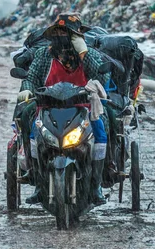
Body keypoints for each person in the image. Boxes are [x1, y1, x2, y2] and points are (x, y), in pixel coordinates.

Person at [17, 13, 109, 206]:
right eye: (57, 32)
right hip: (48, 105)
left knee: (103, 128)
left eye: (65, 32)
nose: (60, 36)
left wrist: (84, 52)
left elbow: (102, 76)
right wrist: (27, 91)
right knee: (27, 120)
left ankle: (96, 185)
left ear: (75, 36)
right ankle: (38, 181)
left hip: (82, 106)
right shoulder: (44, 55)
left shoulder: (88, 54)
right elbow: (32, 77)